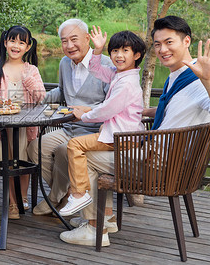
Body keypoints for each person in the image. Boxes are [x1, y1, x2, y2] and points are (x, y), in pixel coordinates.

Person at [59, 15, 210, 247]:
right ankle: (108, 218)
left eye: (169, 42)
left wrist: (208, 80)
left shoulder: (198, 81)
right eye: (158, 44)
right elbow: (174, 108)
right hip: (165, 159)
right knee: (85, 150)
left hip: (161, 166)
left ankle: (95, 228)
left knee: (84, 156)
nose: (163, 49)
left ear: (186, 42)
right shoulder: (177, 76)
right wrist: (145, 111)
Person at [26, 18, 113, 216]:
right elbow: (62, 91)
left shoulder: (106, 64)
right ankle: (65, 194)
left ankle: (54, 198)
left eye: (74, 39)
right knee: (35, 148)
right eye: (64, 41)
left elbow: (113, 104)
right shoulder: (65, 63)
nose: (69, 45)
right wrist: (40, 97)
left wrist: (86, 111)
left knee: (64, 152)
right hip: (68, 128)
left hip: (93, 132)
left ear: (87, 38)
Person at [59, 29, 146, 217]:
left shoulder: (126, 83)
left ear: (136, 55)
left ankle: (79, 193)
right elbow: (95, 69)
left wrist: (84, 116)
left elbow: (107, 109)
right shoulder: (118, 75)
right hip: (118, 134)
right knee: (77, 145)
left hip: (121, 137)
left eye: (125, 51)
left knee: (75, 145)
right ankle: (104, 215)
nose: (118, 55)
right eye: (114, 51)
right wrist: (98, 49)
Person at [0, 25, 46, 219]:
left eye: (21, 42)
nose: (16, 45)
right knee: (13, 157)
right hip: (4, 127)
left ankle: (22, 196)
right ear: (5, 43)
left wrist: (27, 79)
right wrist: (3, 102)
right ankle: (13, 201)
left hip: (27, 126)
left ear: (27, 47)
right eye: (12, 41)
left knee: (23, 156)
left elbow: (40, 97)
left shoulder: (31, 70)